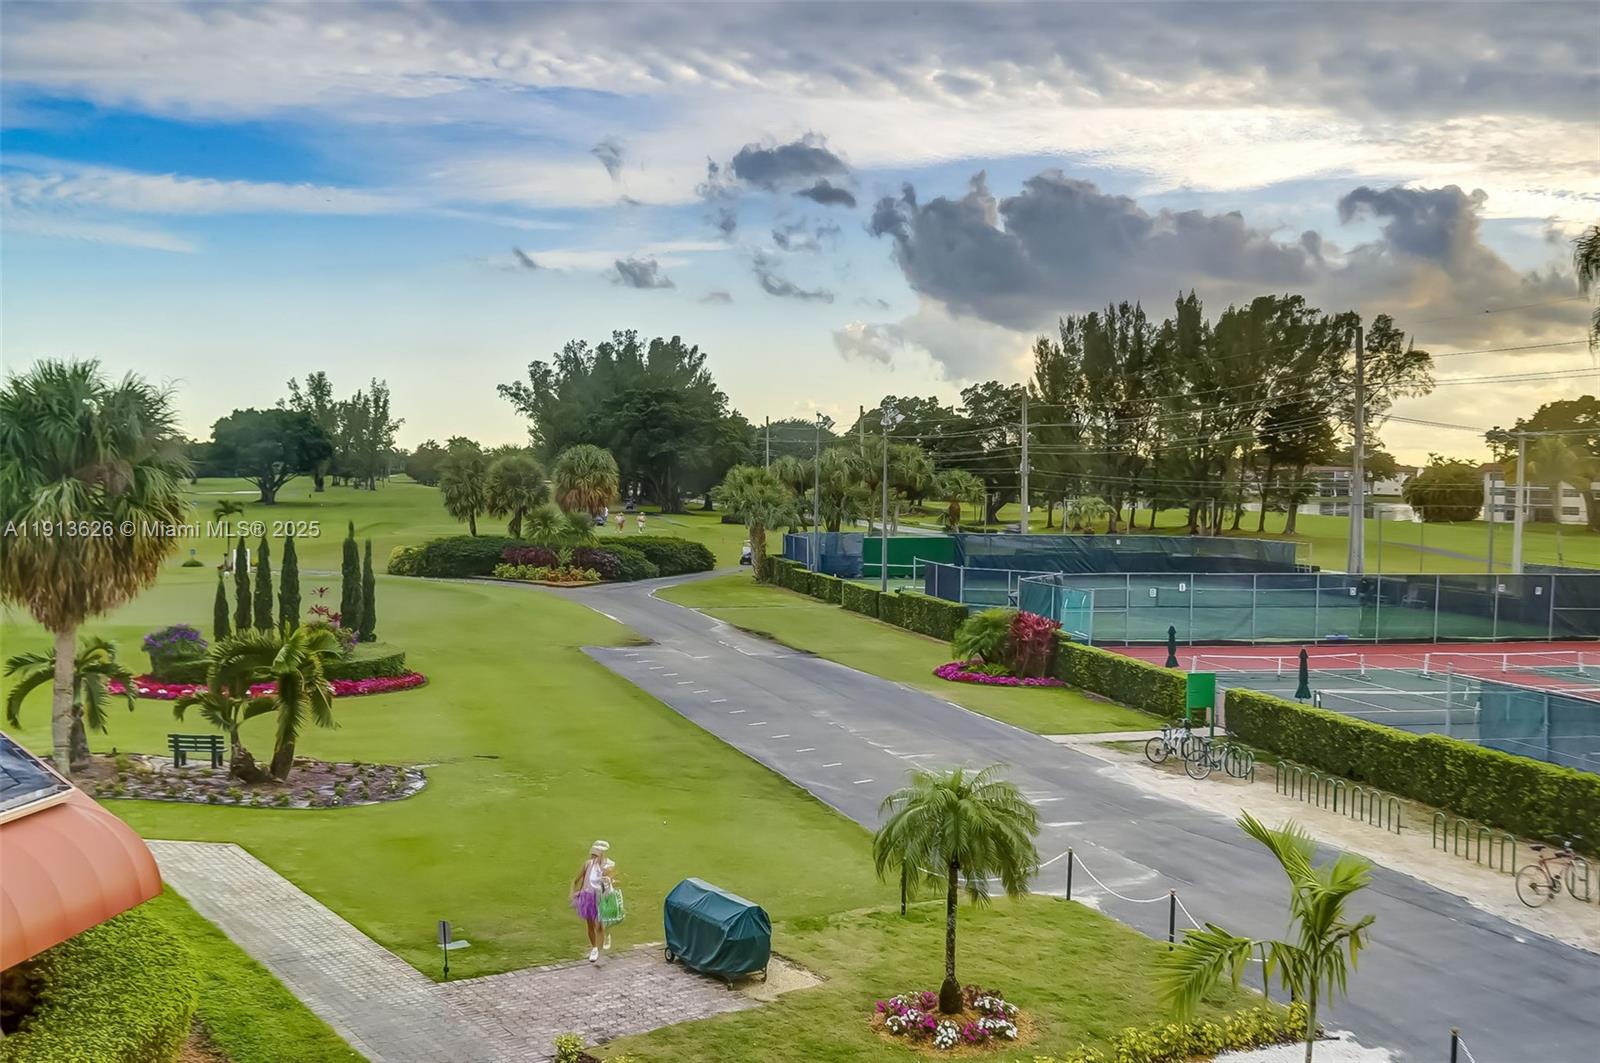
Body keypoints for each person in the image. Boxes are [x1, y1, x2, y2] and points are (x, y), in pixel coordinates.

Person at [570, 840, 610, 962]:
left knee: (600, 926)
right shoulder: (587, 864)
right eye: (593, 855)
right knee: (591, 925)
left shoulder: (606, 867)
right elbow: (575, 880)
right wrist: (572, 893)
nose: (594, 858)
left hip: (600, 898)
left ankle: (601, 947)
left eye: (597, 855)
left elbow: (610, 882)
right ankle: (595, 948)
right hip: (588, 898)